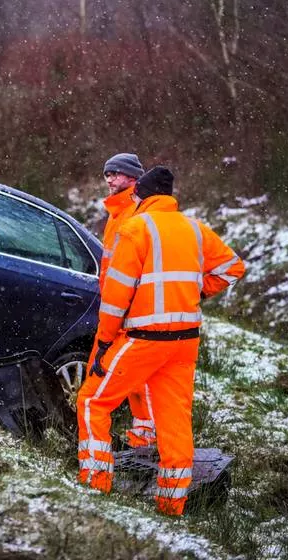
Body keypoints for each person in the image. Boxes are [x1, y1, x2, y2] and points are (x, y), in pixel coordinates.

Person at [76, 166, 246, 516]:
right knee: (174, 420)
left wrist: (106, 341)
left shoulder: (134, 228)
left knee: (93, 400)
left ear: (140, 196)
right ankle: (171, 502)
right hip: (185, 341)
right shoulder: (194, 229)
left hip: (144, 338)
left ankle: (96, 481)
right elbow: (232, 267)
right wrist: (195, 290)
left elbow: (116, 295)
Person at [100, 153, 157, 449]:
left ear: (133, 178)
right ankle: (142, 437)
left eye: (115, 173)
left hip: (132, 308)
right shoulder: (116, 212)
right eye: (107, 173)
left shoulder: (136, 212)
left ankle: (145, 441)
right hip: (116, 305)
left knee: (141, 379)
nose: (109, 179)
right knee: (132, 378)